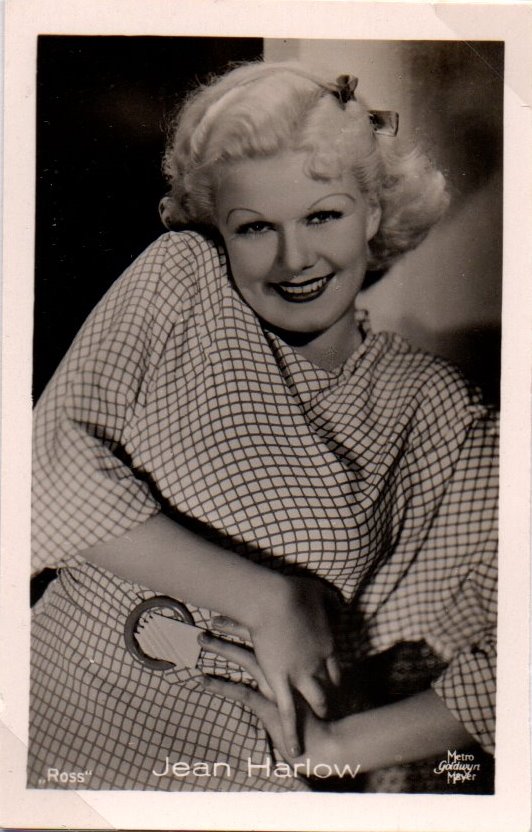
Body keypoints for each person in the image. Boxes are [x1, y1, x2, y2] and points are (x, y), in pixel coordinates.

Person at [29, 60, 498, 793]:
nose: (293, 259)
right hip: (48, 734)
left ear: (373, 215)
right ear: (220, 228)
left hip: (240, 786)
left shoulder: (435, 408)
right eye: (254, 227)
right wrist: (268, 599)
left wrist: (343, 744)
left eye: (323, 216)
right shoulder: (182, 284)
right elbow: (40, 473)